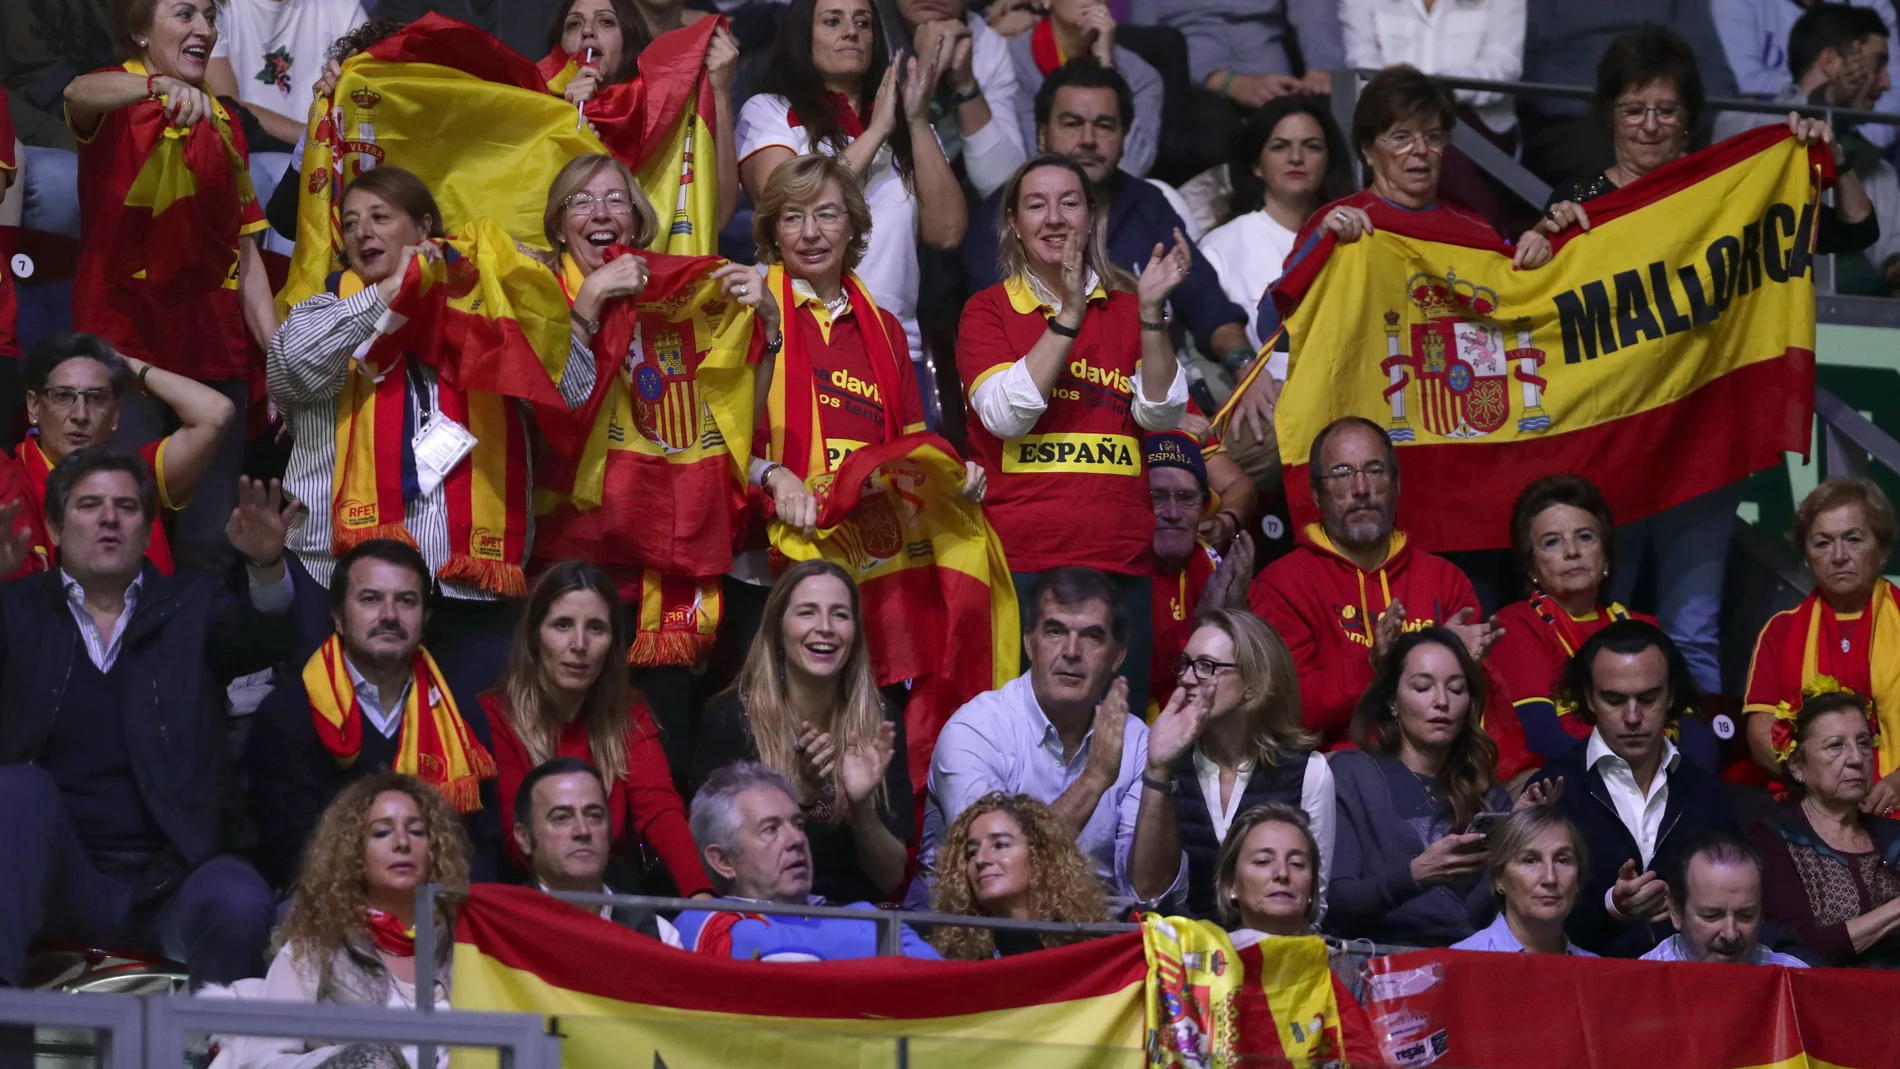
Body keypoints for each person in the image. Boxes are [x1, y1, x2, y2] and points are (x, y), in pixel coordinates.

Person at [267, 166, 594, 684]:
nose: (362, 233)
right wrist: (388, 295)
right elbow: (294, 370)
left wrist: (529, 296)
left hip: (468, 587)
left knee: (467, 750)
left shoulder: (492, 318)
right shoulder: (322, 309)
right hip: (338, 580)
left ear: (424, 231)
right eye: (350, 224)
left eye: (380, 217)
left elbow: (574, 391)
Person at [0, 448, 294, 988]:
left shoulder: (193, 604)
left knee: (238, 900)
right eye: (90, 505)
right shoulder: (16, 610)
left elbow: (262, 635)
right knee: (14, 790)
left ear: (146, 529)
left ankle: (229, 1054)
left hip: (174, 874)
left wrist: (266, 566)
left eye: (127, 507)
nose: (110, 517)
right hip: (55, 876)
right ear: (55, 528)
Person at [528, 153, 772, 773]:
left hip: (657, 560)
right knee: (567, 754)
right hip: (568, 557)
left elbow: (738, 414)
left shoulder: (677, 300)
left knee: (656, 757)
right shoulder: (531, 293)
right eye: (582, 202)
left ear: (637, 224)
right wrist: (587, 306)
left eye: (616, 201)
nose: (601, 214)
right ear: (558, 227)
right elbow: (549, 423)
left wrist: (765, 325)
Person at [956, 154, 1191, 704]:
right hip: (1020, 562)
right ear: (1014, 222)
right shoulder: (987, 311)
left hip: (1120, 559)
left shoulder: (1131, 310)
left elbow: (1161, 415)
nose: (1055, 218)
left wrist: (1152, 314)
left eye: (1070, 202)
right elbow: (1007, 416)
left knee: (1115, 742)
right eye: (1037, 205)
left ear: (1092, 217)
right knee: (1022, 743)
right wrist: (1068, 316)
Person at [63, 0, 279, 576]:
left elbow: (247, 250)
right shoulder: (116, 98)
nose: (204, 30)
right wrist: (153, 88)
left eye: (210, 17)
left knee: (210, 547)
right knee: (119, 537)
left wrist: (277, 355)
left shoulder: (225, 119)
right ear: (139, 30)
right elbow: (76, 96)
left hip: (214, 355)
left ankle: (194, 669)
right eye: (185, 14)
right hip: (122, 356)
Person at [1237, 66, 1552, 442]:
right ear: (1368, 151)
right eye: (1400, 137)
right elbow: (1271, 327)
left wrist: (1538, 257)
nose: (1420, 150)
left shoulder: (1474, 228)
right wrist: (1319, 244)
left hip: (1461, 427)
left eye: (1433, 137)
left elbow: (1512, 324)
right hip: (1367, 426)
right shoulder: (1336, 223)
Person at [918, 567, 1201, 907]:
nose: (1071, 651)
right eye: (1055, 631)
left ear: (1118, 655)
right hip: (974, 937)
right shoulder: (977, 729)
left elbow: (1150, 892)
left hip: (1094, 938)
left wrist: (1158, 774)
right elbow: (996, 867)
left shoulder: (1139, 742)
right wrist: (1095, 779)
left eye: (1092, 636)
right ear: (1029, 643)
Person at [962, 65, 1254, 373]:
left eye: (1104, 126)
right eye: (1072, 123)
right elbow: (1009, 338)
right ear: (1043, 134)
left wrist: (1244, 364)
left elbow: (1208, 303)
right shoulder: (1004, 217)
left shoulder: (1147, 201)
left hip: (1163, 381)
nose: (1088, 140)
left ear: (1124, 137)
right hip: (1058, 393)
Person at [247, 539, 502, 892]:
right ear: (337, 616)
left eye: (406, 601)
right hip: (329, 905)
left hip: (439, 906)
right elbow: (290, 852)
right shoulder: (288, 713)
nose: (389, 616)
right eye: (370, 599)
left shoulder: (460, 715)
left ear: (425, 617)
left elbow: (483, 844)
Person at [1247, 417, 1500, 747]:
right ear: (1315, 494)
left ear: (1397, 484)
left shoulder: (1444, 580)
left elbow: (1482, 711)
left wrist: (1463, 667)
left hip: (1440, 771)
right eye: (1341, 473)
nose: (1361, 489)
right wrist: (1373, 664)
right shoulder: (1281, 585)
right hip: (1334, 777)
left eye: (1375, 470)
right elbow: (1287, 711)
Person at [737, 0, 967, 360]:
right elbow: (785, 206)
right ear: (803, 35)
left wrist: (918, 121)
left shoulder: (909, 129)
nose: (851, 32)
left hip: (896, 347)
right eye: (832, 21)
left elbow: (948, 231)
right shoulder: (772, 111)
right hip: (798, 337)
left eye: (863, 23)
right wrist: (876, 132)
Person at [690, 560, 910, 905]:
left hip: (855, 918)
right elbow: (715, 861)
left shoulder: (879, 720)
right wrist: (801, 796)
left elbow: (890, 878)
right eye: (807, 612)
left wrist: (862, 805)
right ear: (778, 629)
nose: (825, 628)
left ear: (855, 632)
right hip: (762, 912)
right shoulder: (730, 717)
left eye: (839, 615)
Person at [486, 561, 709, 897]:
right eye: (562, 625)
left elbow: (660, 809)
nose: (579, 644)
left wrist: (701, 897)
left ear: (612, 642)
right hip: (528, 893)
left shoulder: (628, 711)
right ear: (534, 636)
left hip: (611, 891)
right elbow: (514, 839)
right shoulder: (495, 714)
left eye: (596, 628)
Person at [224, 773, 465, 1069]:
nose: (402, 843)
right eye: (381, 833)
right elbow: (263, 1062)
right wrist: (352, 1060)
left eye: (416, 831)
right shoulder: (315, 948)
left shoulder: (466, 945)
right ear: (354, 853)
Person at [1532, 620, 1737, 957]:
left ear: (1671, 695)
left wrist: (1690, 904)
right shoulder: (1554, 789)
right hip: (1582, 988)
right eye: (1614, 700)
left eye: (1648, 698)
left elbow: (1742, 905)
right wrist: (1612, 907)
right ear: (1589, 697)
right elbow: (1525, 919)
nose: (1632, 716)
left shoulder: (1708, 793)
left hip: (1690, 989)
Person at [1490, 475, 1715, 769]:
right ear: (1531, 567)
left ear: (1606, 559)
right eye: (1552, 542)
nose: (1572, 552)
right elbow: (1542, 740)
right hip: (1572, 787)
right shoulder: (1516, 625)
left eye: (1585, 537)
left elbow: (1692, 727)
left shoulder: (1643, 626)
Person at [1325, 629, 1514, 946]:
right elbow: (1335, 904)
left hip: (1469, 965)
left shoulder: (1490, 798)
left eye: (1456, 689)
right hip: (1377, 962)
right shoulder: (1354, 777)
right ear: (1393, 702)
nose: (1441, 702)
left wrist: (1520, 844)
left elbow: (1480, 919)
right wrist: (1414, 875)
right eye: (1423, 687)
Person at [3, 332, 235, 576]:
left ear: (115, 415)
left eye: (96, 398)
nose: (80, 415)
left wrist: (130, 366)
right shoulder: (10, 481)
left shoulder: (138, 474)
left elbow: (216, 413)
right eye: (63, 396)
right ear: (34, 406)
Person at [1714, 7, 1900, 296]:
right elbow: (1771, 142)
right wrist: (1821, 103)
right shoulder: (1743, 121)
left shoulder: (1878, 169)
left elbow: (1891, 253)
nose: (1887, 83)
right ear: (1830, 63)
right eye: (1877, 65)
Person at [674, 763, 940, 959]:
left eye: (798, 824)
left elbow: (940, 983)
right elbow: (779, 959)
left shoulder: (865, 915)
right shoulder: (702, 921)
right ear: (723, 861)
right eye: (771, 829)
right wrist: (871, 946)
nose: (797, 839)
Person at [1166, 609, 1334, 921]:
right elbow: (1151, 896)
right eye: (1186, 664)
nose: (1186, 679)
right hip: (1185, 956)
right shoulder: (1168, 764)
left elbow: (1313, 904)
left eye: (1206, 666)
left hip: (1275, 957)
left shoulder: (1309, 772)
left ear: (1253, 686)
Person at [1743, 478, 1900, 802]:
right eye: (1823, 543)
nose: (1839, 556)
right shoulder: (1780, 631)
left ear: (1882, 549)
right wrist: (1815, 784)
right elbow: (1761, 731)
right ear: (1807, 555)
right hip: (1807, 807)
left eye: (1853, 539)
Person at [1212, 803, 1385, 1066]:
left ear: (1312, 891)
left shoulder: (1346, 974)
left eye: (1297, 863)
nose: (1282, 874)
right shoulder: (1206, 966)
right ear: (1231, 886)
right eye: (1262, 861)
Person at [541, 0, 739, 226]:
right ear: (559, 46)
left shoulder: (664, 112)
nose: (587, 31)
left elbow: (719, 214)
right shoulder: (538, 111)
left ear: (628, 38)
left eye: (606, 21)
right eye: (574, 25)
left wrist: (720, 94)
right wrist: (565, 121)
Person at [1749, 688, 1900, 967]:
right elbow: (1796, 947)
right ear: (1797, 766)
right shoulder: (1773, 838)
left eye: (1864, 743)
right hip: (1818, 1001)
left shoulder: (1894, 838)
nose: (1856, 758)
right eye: (1836, 746)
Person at [1518, 0, 1736, 185]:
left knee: (1752, 146)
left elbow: (1709, 66)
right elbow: (1533, 80)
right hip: (1574, 121)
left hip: (1677, 114)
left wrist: (1690, 127)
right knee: (1633, 168)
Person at [1198, 97, 1347, 360]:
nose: (1296, 158)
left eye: (1312, 147)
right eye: (1280, 147)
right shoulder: (1220, 247)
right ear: (1256, 165)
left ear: (1329, 161)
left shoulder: (1351, 239)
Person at [512, 756, 686, 946]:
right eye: (561, 817)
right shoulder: (503, 924)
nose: (583, 831)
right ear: (524, 838)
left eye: (594, 816)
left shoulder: (656, 934)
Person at [927, 791, 1111, 958]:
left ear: (1040, 855)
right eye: (971, 852)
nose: (981, 859)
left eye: (1000, 845)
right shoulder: (955, 960)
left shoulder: (1092, 950)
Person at [1146, 433, 1255, 710]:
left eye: (1187, 498)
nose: (1172, 512)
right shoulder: (1119, 572)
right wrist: (1203, 621)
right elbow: (1131, 677)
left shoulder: (1213, 565)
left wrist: (1238, 613)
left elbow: (1259, 679)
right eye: (1156, 497)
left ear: (1204, 508)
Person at [1002, 4, 1163, 178]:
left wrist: (1106, 66)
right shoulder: (1008, 62)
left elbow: (1131, 169)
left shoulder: (1142, 77)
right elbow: (1026, 164)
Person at [894, 0, 1028, 199]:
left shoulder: (987, 44)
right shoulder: (863, 21)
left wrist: (966, 85)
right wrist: (927, 71)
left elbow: (1002, 184)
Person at [1340, 0, 1522, 142]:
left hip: (1474, 122)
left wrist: (1424, 89)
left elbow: (1504, 65)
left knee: (1434, 146)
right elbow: (1360, 58)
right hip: (1389, 113)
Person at [203, 0, 368, 149]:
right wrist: (315, 138)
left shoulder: (342, 6)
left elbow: (369, 92)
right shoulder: (216, 5)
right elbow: (228, 107)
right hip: (250, 146)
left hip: (324, 147)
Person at [1129, 0, 1337, 110]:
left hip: (1271, 73)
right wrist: (1226, 82)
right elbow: (1146, 45)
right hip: (1191, 78)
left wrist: (1322, 68)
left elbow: (1313, 10)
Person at [1641, 830, 1807, 966]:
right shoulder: (1641, 985)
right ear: (1676, 912)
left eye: (1746, 916)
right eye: (1712, 916)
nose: (1730, 934)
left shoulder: (1793, 980)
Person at [1451, 806, 1595, 955]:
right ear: (1498, 878)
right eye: (1530, 860)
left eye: (1562, 861)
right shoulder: (1461, 962)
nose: (1550, 878)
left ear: (1578, 879)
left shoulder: (1598, 971)